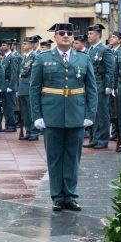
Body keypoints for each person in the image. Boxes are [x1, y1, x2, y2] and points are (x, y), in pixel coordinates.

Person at [31, 23, 98, 212]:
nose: (66, 36)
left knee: (73, 157)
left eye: (70, 33)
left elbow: (91, 89)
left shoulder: (83, 58)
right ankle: (57, 197)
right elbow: (34, 88)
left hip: (76, 114)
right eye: (62, 33)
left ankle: (71, 195)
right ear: (55, 37)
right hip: (52, 113)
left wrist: (90, 114)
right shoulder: (43, 58)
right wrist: (37, 115)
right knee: (54, 157)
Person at [83, 24, 115, 150]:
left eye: (91, 34)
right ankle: (95, 138)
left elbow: (111, 69)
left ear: (97, 35)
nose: (88, 36)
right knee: (93, 113)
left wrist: (109, 86)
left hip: (100, 83)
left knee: (102, 113)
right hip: (91, 84)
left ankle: (103, 139)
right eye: (88, 33)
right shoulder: (89, 50)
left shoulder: (104, 49)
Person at [17, 35, 40, 141]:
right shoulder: (25, 57)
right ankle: (28, 131)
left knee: (31, 111)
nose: (23, 45)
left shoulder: (35, 56)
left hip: (29, 85)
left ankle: (34, 132)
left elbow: (35, 73)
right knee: (25, 112)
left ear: (31, 45)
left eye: (25, 44)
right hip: (22, 86)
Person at [0, 38, 19, 132]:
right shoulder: (4, 57)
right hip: (4, 84)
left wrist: (11, 86)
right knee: (5, 106)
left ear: (10, 46)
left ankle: (12, 125)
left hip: (9, 84)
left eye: (4, 45)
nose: (3, 47)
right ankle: (7, 124)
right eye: (2, 45)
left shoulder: (12, 57)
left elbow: (14, 73)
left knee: (11, 106)